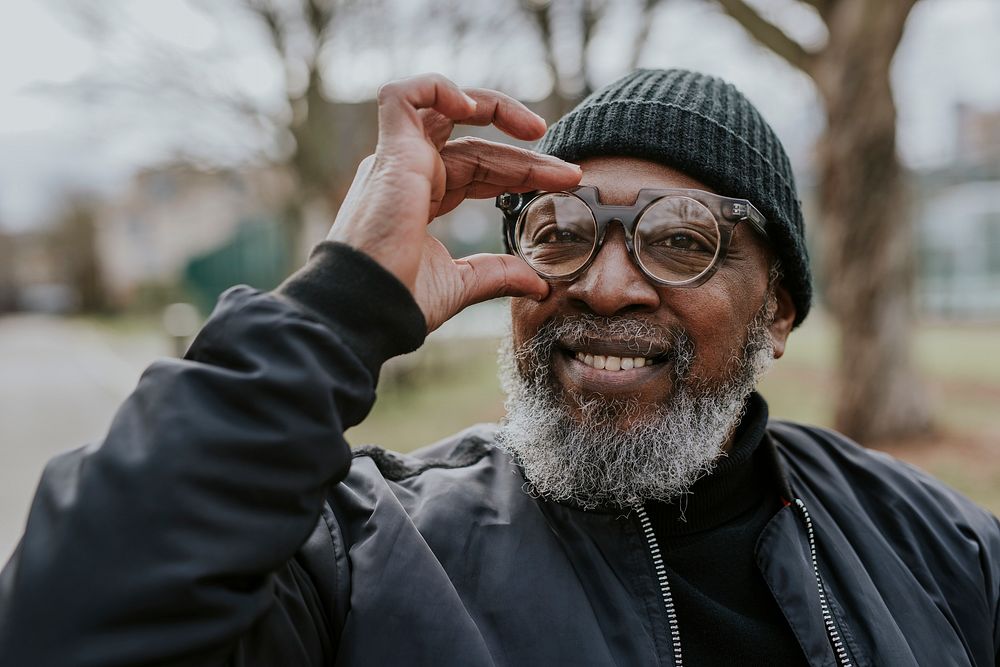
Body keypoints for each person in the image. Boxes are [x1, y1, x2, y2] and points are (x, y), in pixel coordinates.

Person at [0, 69, 997, 667]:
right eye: (560, 233)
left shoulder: (941, 549)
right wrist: (342, 304)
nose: (605, 286)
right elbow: (62, 625)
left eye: (682, 240)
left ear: (775, 308)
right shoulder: (362, 554)